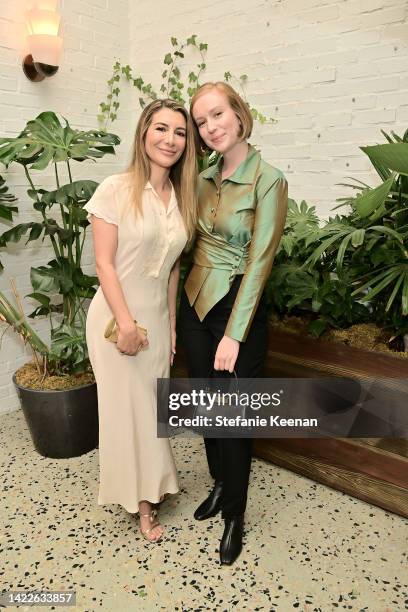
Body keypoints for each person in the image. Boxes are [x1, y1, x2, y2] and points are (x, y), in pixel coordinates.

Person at [179, 82, 288, 564]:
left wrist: (234, 334)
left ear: (240, 114)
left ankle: (235, 517)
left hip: (237, 309)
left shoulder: (269, 179)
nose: (210, 127)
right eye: (201, 122)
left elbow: (261, 262)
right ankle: (221, 486)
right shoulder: (201, 179)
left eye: (217, 115)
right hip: (194, 305)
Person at [84, 99, 197, 542]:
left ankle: (153, 484)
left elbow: (172, 268)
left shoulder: (180, 198)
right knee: (129, 411)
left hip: (155, 316)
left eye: (180, 132)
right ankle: (143, 506)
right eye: (161, 129)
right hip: (116, 320)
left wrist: (169, 324)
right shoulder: (115, 188)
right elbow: (104, 264)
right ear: (143, 133)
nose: (170, 139)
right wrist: (128, 323)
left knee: (153, 410)